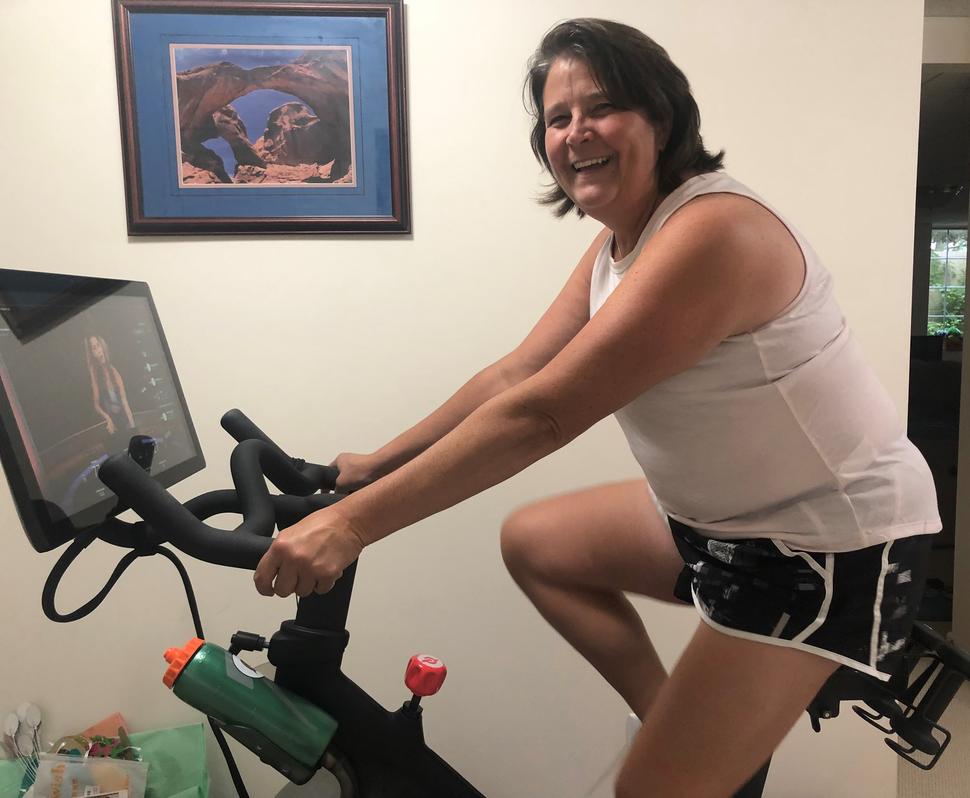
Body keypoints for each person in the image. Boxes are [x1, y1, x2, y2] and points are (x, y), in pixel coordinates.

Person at [253, 19, 941, 797]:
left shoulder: (711, 231)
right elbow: (517, 375)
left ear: (663, 117)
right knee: (539, 545)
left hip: (825, 545)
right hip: (724, 521)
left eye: (602, 107)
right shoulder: (625, 236)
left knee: (646, 793)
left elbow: (544, 416)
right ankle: (680, 731)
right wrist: (376, 464)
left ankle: (686, 769)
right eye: (557, 117)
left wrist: (350, 524)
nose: (577, 131)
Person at [85, 334, 135, 437]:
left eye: (98, 345)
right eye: (94, 348)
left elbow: (125, 401)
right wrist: (107, 418)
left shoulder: (114, 371)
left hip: (124, 422)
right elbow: (96, 405)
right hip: (110, 427)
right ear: (92, 354)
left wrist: (133, 427)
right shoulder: (95, 376)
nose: (98, 350)